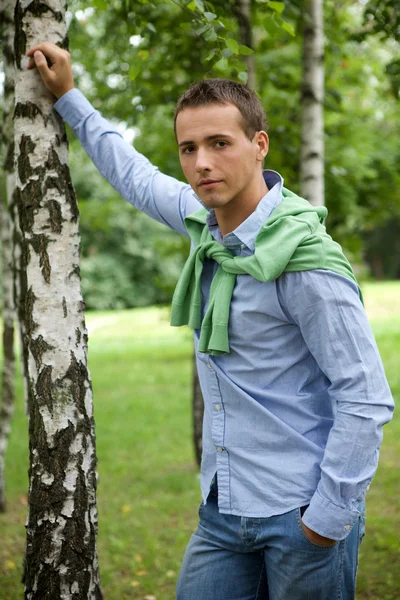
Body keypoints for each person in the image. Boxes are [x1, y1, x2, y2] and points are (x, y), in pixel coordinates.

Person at [26, 43, 394, 600]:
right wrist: (70, 97)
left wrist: (326, 519)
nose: (202, 163)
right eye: (189, 148)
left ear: (257, 145)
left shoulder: (305, 261)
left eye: (219, 143)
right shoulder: (207, 227)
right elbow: (134, 176)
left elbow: (364, 396)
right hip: (223, 510)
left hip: (300, 512)